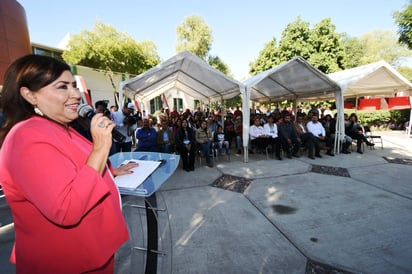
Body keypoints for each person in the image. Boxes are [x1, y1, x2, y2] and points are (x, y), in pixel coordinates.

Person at [0, 55, 135, 273]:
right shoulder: (27, 136)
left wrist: (110, 171)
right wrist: (101, 148)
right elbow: (66, 209)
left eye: (74, 85)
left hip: (92, 253)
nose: (75, 94)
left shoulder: (60, 126)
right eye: (62, 87)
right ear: (29, 95)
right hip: (66, 262)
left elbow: (76, 165)